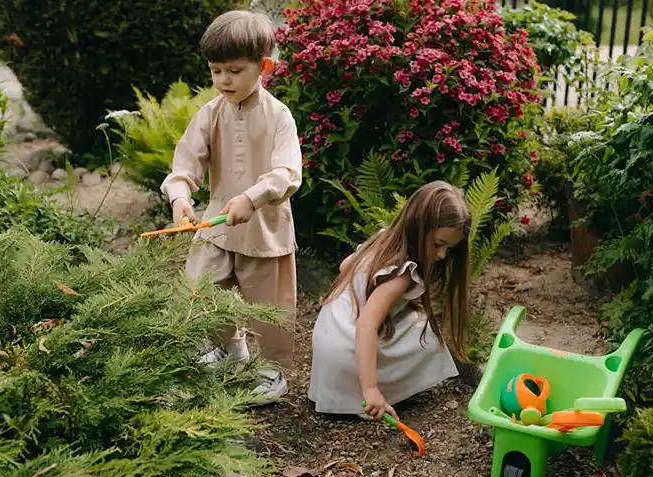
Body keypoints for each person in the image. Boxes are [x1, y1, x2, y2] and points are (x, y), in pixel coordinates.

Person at [160, 10, 301, 404]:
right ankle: (228, 349)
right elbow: (185, 163)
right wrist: (181, 197)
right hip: (217, 225)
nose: (223, 80)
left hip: (265, 230)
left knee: (269, 307)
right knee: (201, 289)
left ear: (264, 67)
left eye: (234, 70)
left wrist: (253, 197)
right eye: (216, 70)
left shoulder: (279, 118)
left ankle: (273, 370)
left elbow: (288, 172)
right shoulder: (210, 113)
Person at [308, 181, 472, 420]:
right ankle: (366, 393)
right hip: (346, 352)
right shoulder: (402, 273)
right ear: (418, 226)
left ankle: (346, 388)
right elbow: (366, 325)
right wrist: (371, 390)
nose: (442, 255)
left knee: (413, 319)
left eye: (449, 248)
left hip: (327, 338)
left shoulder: (384, 241)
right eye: (438, 244)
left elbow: (345, 266)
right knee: (426, 336)